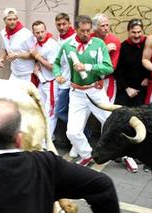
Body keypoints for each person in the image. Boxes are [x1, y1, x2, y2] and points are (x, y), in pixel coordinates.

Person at [52, 15, 114, 167]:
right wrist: (58, 75)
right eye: (82, 31)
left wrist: (87, 67)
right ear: (76, 30)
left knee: (112, 123)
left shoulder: (99, 44)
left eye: (88, 30)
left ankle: (127, 155)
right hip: (77, 94)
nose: (86, 34)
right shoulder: (67, 45)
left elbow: (109, 68)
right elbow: (56, 63)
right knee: (72, 132)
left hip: (96, 92)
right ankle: (87, 154)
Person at [31, 20, 60, 138]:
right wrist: (37, 63)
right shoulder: (37, 44)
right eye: (37, 32)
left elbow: (53, 67)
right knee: (40, 109)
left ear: (46, 30)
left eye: (42, 31)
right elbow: (40, 60)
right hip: (42, 81)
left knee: (51, 112)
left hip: (52, 81)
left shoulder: (52, 45)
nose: (40, 34)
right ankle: (47, 136)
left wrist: (38, 58)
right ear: (34, 33)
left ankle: (47, 140)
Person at [115, 19, 149, 106]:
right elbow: (118, 70)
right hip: (126, 88)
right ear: (128, 31)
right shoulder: (123, 47)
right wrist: (127, 88)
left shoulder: (148, 44)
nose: (137, 35)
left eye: (139, 32)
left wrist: (148, 78)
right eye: (133, 32)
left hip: (143, 89)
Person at [0, 8, 36, 81]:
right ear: (4, 20)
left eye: (14, 19)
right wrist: (1, 58)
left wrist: (17, 55)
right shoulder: (3, 33)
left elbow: (34, 55)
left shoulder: (26, 34)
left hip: (28, 74)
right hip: (14, 73)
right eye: (9, 19)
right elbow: (6, 49)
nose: (12, 22)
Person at [53, 13, 75, 130]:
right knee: (63, 111)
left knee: (61, 112)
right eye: (58, 24)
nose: (61, 27)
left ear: (69, 24)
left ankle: (85, 133)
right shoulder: (60, 37)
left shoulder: (74, 39)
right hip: (62, 81)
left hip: (71, 83)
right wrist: (58, 74)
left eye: (64, 24)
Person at [91, 13, 121, 103]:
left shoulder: (114, 41)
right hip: (90, 79)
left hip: (106, 80)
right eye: (102, 26)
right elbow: (85, 60)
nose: (106, 28)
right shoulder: (90, 38)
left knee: (106, 109)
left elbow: (110, 68)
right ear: (95, 27)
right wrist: (104, 51)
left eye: (107, 25)